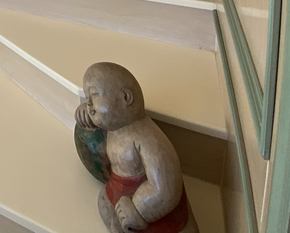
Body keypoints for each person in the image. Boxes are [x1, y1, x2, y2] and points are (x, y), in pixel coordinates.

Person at [74, 62, 198, 233]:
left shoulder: (148, 139)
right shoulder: (115, 124)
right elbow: (100, 119)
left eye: (94, 96)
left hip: (144, 198)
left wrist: (139, 210)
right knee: (105, 203)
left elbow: (165, 187)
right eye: (87, 98)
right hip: (120, 187)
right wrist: (87, 113)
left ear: (126, 98)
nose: (89, 104)